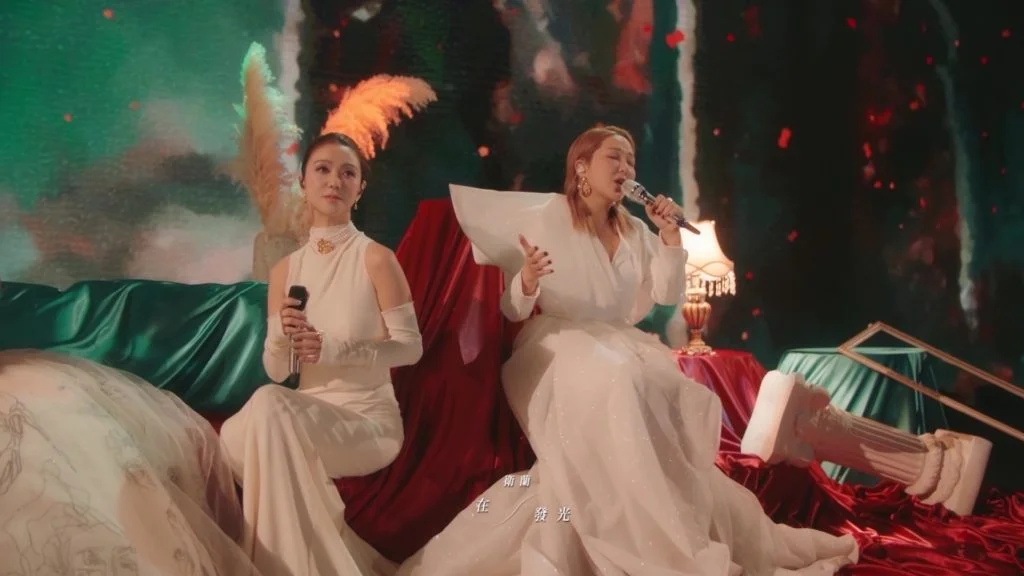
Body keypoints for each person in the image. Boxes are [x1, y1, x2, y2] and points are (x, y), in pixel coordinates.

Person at [398, 125, 859, 575]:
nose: (625, 168)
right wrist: (528, 279)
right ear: (582, 166)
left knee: (662, 384)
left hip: (618, 341)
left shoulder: (637, 231)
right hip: (558, 343)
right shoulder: (548, 215)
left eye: (631, 161)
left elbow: (665, 293)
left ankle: (661, 518)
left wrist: (670, 237)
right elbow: (513, 309)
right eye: (614, 158)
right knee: (621, 378)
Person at [219, 132, 423, 576]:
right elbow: (278, 372)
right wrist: (282, 339)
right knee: (232, 437)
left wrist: (336, 349)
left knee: (268, 410)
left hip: (365, 422)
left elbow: (411, 347)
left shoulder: (376, 259)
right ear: (303, 182)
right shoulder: (285, 270)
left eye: (348, 173)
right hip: (299, 414)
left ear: (360, 188)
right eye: (323, 170)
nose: (334, 181)